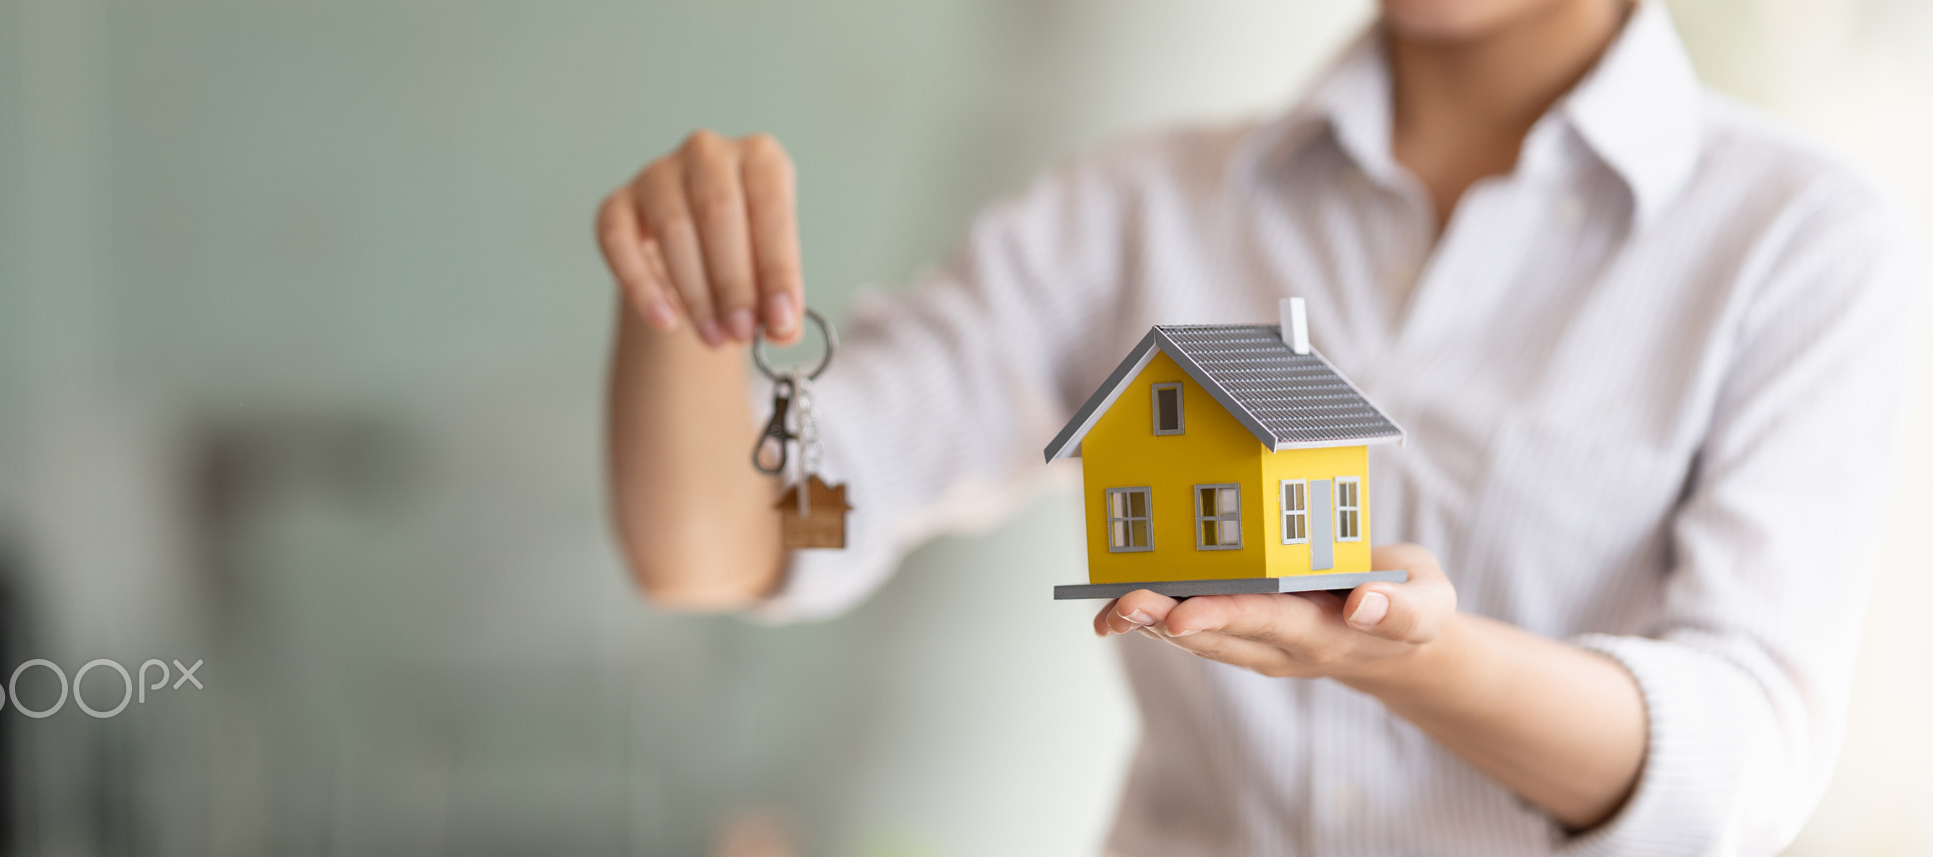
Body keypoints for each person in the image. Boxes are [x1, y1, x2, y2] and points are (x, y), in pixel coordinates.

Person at [597, 0, 1926, 853]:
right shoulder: (1136, 209)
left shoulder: (1798, 240)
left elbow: (1738, 770)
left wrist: (1417, 661)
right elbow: (732, 536)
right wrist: (677, 299)